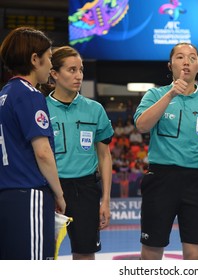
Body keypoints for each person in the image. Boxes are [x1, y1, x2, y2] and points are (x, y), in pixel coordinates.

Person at [134, 42, 198, 260]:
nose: (186, 62)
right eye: (180, 57)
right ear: (170, 64)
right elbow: (142, 125)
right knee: (152, 250)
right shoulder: (154, 95)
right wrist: (170, 95)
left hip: (197, 180)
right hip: (161, 178)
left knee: (195, 252)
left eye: (192, 58)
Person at [0, 26, 66, 259]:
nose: (51, 64)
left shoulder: (5, 93)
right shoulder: (30, 94)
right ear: (34, 59)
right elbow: (43, 153)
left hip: (6, 195)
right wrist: (58, 194)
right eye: (49, 57)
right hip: (29, 196)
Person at [42, 46, 114, 260]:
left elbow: (104, 156)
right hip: (50, 190)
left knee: (85, 254)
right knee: (44, 255)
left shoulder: (95, 109)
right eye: (71, 70)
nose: (79, 76)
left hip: (86, 191)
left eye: (81, 70)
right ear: (54, 73)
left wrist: (106, 200)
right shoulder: (40, 108)